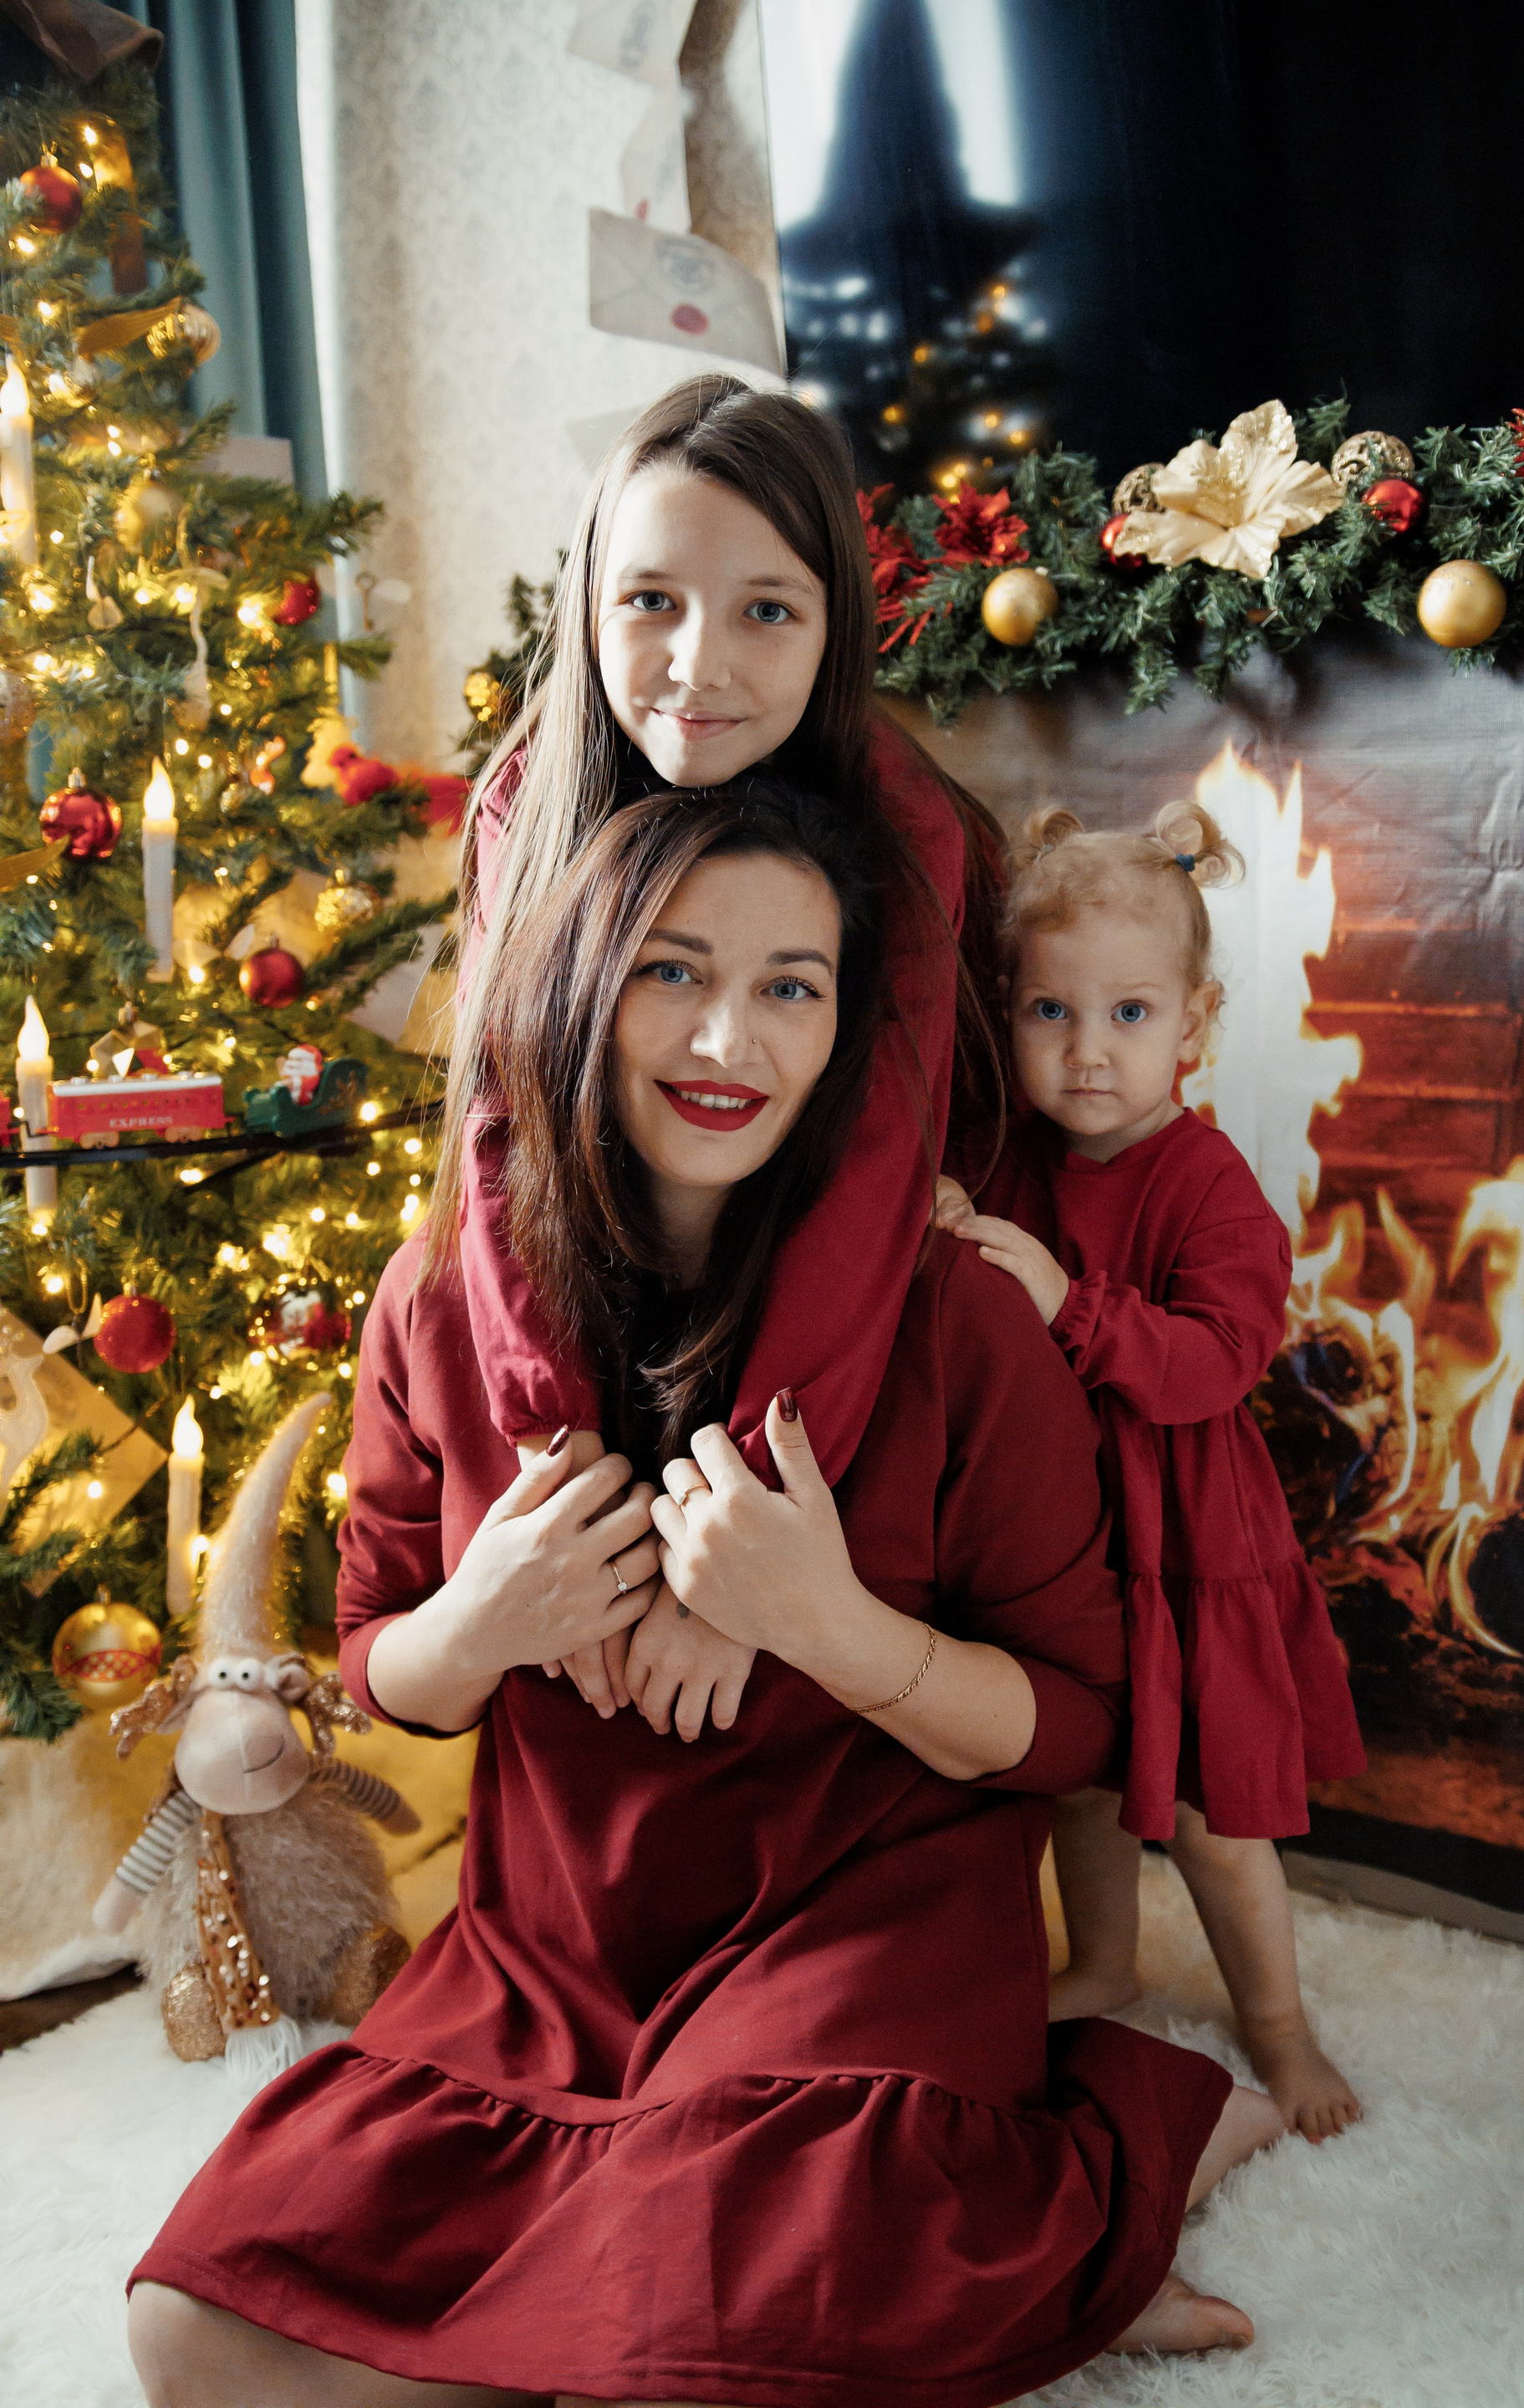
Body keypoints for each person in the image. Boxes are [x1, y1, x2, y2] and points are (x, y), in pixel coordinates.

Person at [128, 783, 1284, 2408]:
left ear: (847, 1029)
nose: (730, 1038)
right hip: (555, 1949)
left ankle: (1114, 2156)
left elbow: (1079, 1722)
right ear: (581, 987)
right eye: (672, 971)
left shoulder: (959, 1317)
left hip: (854, 1932)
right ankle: (891, 2271)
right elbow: (383, 1657)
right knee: (200, 2335)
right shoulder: (438, 1300)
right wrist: (485, 1618)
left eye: (790, 987)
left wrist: (840, 1632)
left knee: (699, 2351)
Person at [449, 370, 1007, 1742]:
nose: (700, 664)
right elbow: (501, 1133)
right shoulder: (528, 801)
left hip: (844, 1311)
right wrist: (566, 1478)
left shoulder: (906, 835)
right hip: (614, 1266)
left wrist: (737, 1540)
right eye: (652, 600)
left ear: (835, 628)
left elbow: (873, 1177)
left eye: (767, 610)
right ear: (591, 604)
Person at [938, 798, 1368, 2145]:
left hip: (1184, 1539)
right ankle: (1107, 1962)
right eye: (1050, 1012)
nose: (1088, 1050)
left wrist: (1068, 1302)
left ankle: (1281, 2029)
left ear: (1195, 1024)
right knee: (1076, 1775)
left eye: (1129, 1014)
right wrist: (949, 1222)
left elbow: (1216, 1365)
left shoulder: (1208, 1185)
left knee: (1211, 1818)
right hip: (1066, 1541)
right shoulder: (1013, 1162)